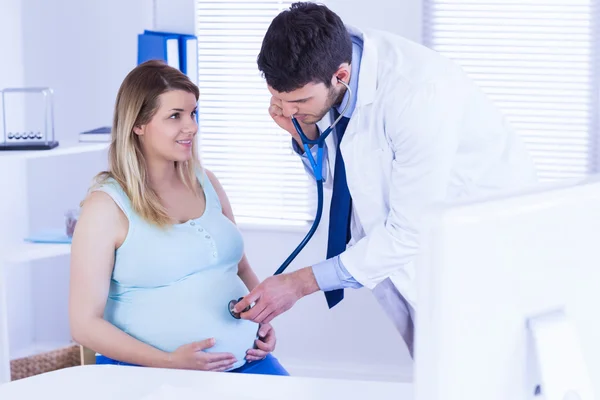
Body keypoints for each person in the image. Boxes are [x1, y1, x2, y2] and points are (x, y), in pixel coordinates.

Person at [233, 2, 538, 355]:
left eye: (298, 101)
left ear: (341, 76)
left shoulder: (416, 95)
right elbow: (348, 181)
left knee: (479, 374)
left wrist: (298, 284)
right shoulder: (331, 76)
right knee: (436, 373)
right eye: (278, 99)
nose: (286, 110)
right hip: (407, 257)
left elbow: (410, 231)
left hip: (478, 259)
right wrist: (304, 133)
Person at [69, 60, 288, 375]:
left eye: (192, 113)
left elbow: (239, 267)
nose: (192, 127)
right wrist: (169, 361)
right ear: (138, 124)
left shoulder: (206, 181)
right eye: (175, 116)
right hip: (148, 373)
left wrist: (262, 319)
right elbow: (84, 325)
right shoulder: (105, 207)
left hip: (247, 360)